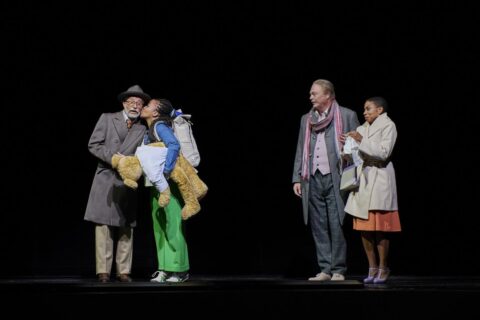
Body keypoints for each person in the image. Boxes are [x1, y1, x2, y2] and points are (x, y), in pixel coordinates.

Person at [292, 79, 360, 281]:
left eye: (314, 93)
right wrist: (297, 177)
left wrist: (350, 140)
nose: (310, 96)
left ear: (328, 95)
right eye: (311, 93)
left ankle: (338, 269)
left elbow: (359, 145)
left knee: (336, 222)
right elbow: (300, 148)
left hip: (336, 176)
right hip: (312, 177)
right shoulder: (307, 119)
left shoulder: (347, 115)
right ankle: (324, 269)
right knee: (318, 224)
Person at [84, 85, 150, 282]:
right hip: (106, 177)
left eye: (139, 103)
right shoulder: (107, 118)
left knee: (125, 226)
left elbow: (144, 154)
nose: (136, 106)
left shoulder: (141, 128)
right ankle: (103, 270)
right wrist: (114, 158)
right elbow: (94, 144)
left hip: (127, 181)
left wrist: (131, 164)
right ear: (124, 103)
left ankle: (123, 271)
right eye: (132, 102)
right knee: (103, 226)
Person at [344, 96, 401, 284]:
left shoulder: (388, 126)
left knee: (380, 228)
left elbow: (384, 152)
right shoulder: (361, 128)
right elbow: (354, 155)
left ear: (380, 110)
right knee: (365, 228)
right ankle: (372, 267)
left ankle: (384, 267)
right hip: (364, 180)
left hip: (380, 176)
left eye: (368, 109)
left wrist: (360, 140)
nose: (364, 112)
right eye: (364, 109)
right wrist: (347, 145)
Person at [140, 98, 190, 283]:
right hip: (155, 184)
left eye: (148, 105)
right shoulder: (150, 129)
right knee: (159, 226)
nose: (143, 107)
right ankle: (164, 268)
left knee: (173, 224)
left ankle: (180, 269)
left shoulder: (160, 126)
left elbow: (174, 145)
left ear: (155, 112)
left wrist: (166, 171)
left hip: (168, 184)